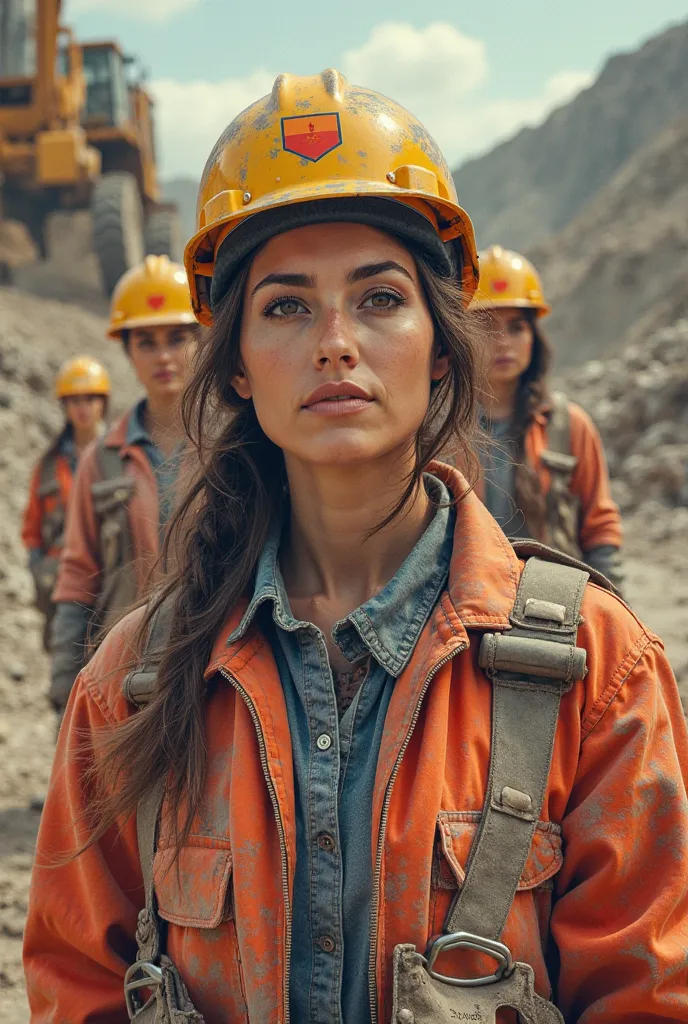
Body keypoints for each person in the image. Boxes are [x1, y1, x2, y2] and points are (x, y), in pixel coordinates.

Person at [24, 71, 688, 1024]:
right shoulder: (131, 681)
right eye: (287, 307)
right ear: (240, 367)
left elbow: (651, 993)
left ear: (441, 345)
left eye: (379, 298)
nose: (336, 342)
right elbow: (77, 987)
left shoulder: (599, 675)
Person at [48, 254, 196, 717]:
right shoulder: (103, 459)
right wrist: (63, 679)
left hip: (217, 667)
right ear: (128, 351)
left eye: (177, 337)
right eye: (146, 342)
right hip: (125, 677)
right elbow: (77, 574)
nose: (164, 356)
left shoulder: (234, 445)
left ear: (201, 339)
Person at [472, 245, 623, 587]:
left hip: (556, 602)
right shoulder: (438, 427)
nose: (503, 343)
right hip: (465, 603)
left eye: (516, 327)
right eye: (486, 326)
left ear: (533, 338)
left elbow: (600, 527)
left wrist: (613, 602)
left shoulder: (569, 426)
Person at [21, 356, 110, 648]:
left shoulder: (122, 457)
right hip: (62, 584)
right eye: (74, 400)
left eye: (89, 399)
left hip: (111, 578)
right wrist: (39, 567)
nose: (82, 408)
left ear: (103, 403)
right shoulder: (49, 466)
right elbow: (33, 525)